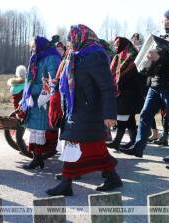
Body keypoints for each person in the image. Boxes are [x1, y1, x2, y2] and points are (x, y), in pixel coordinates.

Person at [46, 24, 122, 196]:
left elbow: (107, 87)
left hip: (89, 109)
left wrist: (109, 114)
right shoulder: (76, 55)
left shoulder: (94, 55)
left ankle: (67, 183)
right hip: (76, 108)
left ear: (80, 37)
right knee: (93, 146)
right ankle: (111, 176)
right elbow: (72, 81)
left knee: (75, 143)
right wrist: (56, 85)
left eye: (72, 39)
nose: (69, 43)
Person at [120, 9, 169, 162]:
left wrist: (160, 57)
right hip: (156, 82)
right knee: (145, 114)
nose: (162, 21)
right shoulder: (167, 34)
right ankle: (138, 148)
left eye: (164, 18)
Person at [19, 36, 62, 169]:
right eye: (31, 47)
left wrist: (32, 89)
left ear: (40, 46)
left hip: (45, 101)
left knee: (41, 130)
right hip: (34, 100)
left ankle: (39, 158)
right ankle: (37, 158)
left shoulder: (52, 58)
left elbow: (52, 80)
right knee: (36, 130)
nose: (31, 49)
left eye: (33, 46)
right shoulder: (36, 57)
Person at [107, 37, 144, 150]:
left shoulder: (132, 55)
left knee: (123, 116)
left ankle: (117, 141)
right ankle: (133, 141)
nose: (116, 47)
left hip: (130, 91)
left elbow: (130, 73)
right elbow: (114, 72)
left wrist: (118, 81)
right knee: (129, 118)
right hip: (123, 90)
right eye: (115, 45)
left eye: (118, 45)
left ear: (124, 44)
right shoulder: (119, 55)